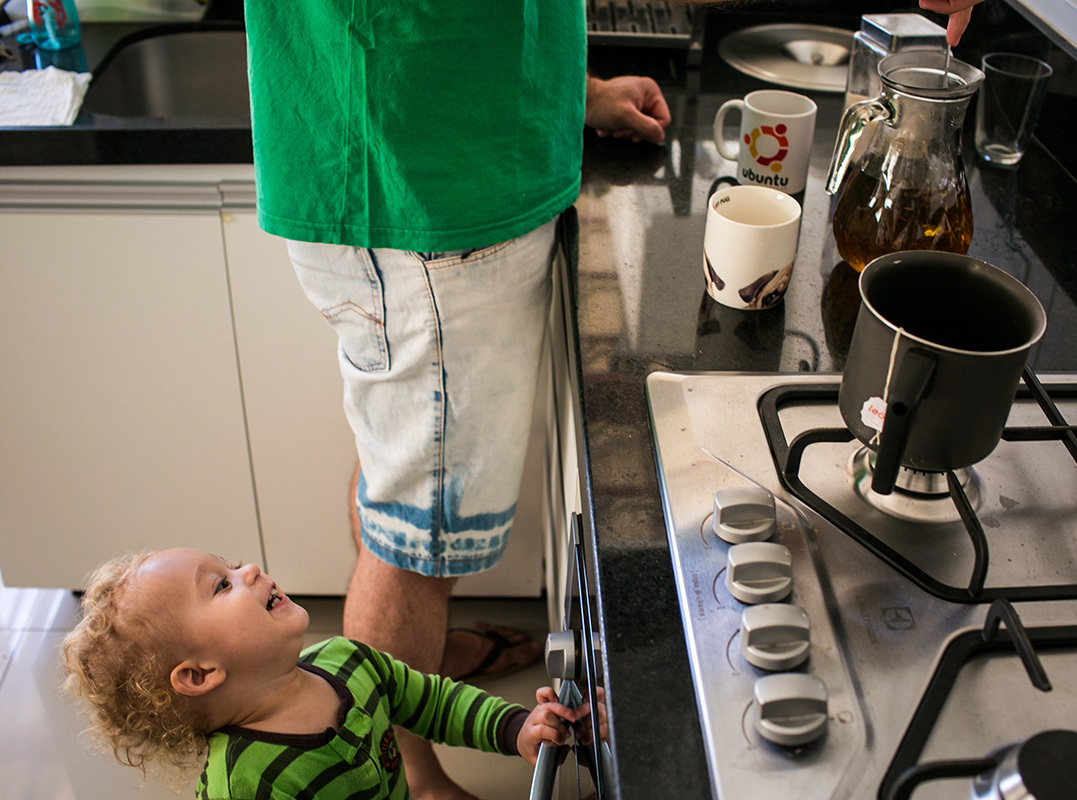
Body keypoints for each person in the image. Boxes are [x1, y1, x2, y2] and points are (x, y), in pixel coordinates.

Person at [240, 1, 669, 796]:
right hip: (430, 189)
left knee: (402, 477)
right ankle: (408, 771)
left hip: (433, 158)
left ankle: (418, 672)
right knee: (417, 538)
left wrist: (568, 90)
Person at [60, 549, 598, 799]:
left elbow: (432, 703)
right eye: (221, 585)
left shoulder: (347, 660)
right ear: (200, 674)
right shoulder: (246, 783)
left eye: (228, 564)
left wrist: (515, 729)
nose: (247, 569)